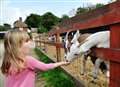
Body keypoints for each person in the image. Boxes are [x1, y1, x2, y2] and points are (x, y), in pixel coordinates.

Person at [1, 30, 70, 87]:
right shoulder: (28, 60)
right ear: (17, 45)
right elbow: (45, 67)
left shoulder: (8, 60)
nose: (30, 42)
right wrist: (61, 63)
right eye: (27, 41)